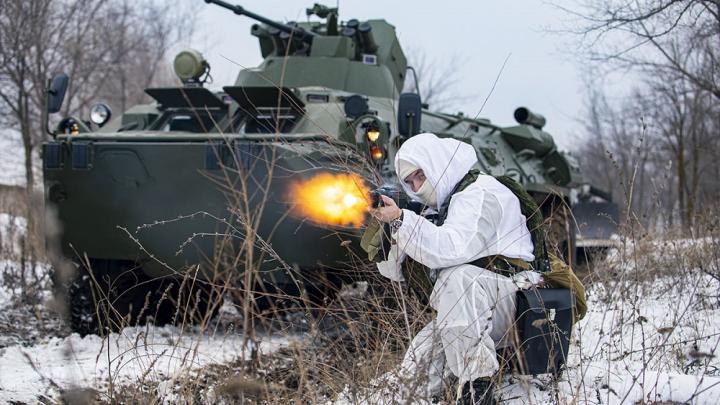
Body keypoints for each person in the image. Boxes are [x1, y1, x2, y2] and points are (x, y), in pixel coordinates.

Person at [369, 133, 542, 404]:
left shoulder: (481, 193)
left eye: (420, 176)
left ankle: (478, 388)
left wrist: (404, 220)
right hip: (475, 307)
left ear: (436, 163)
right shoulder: (443, 205)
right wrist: (390, 232)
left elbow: (453, 249)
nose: (417, 186)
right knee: (414, 379)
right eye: (410, 182)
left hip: (519, 299)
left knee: (457, 279)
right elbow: (394, 273)